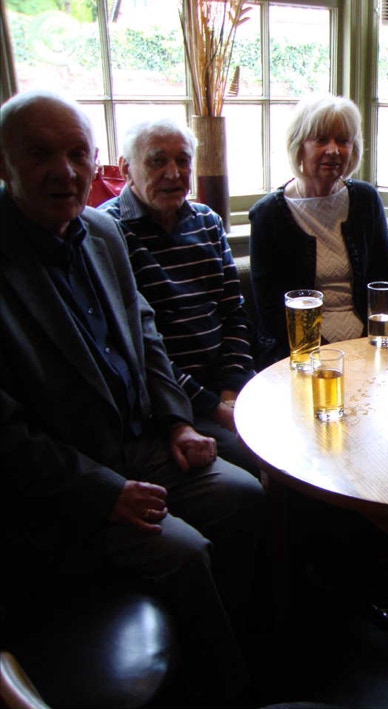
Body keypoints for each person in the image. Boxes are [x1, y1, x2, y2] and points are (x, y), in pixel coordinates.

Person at [0, 90, 265, 705]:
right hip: (64, 485)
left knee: (246, 497)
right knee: (186, 551)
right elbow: (6, 437)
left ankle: (257, 645)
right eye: (41, 154)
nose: (65, 171)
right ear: (5, 161)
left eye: (77, 154)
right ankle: (224, 691)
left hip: (142, 440)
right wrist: (103, 492)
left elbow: (145, 334)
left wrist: (176, 422)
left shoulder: (98, 232)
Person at [99, 118, 259, 476]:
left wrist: (231, 390)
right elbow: (137, 349)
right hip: (166, 402)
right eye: (157, 161)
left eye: (183, 160)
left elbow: (233, 313)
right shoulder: (107, 232)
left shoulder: (207, 221)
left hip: (228, 387)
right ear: (126, 168)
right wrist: (211, 405)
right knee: (259, 455)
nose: (173, 173)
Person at [249, 94, 388, 367]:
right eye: (321, 140)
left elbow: (387, 280)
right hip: (299, 352)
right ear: (299, 146)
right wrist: (328, 355)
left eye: (343, 140)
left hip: (371, 344)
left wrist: (366, 346)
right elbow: (270, 313)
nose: (334, 150)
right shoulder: (268, 215)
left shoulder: (366, 200)